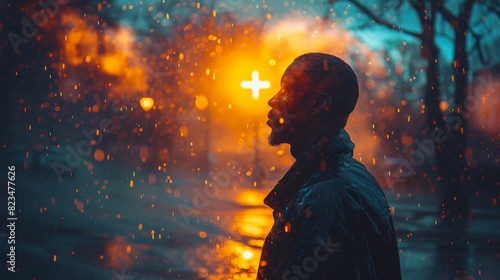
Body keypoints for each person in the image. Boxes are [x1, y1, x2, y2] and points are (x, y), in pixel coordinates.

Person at [258, 53, 402, 280]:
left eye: (286, 90)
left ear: (319, 104)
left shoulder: (328, 198)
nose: (273, 100)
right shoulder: (348, 178)